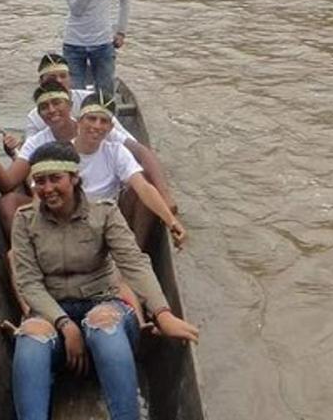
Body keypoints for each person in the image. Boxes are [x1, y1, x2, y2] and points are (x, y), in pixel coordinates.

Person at [10, 142, 198, 420]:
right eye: (39, 181)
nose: (47, 188)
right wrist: (65, 325)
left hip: (102, 300)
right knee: (29, 340)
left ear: (74, 179)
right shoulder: (25, 221)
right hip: (52, 310)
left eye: (55, 179)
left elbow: (133, 263)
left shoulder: (105, 213)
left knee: (103, 326)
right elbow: (29, 283)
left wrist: (162, 313)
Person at [0, 88, 185, 247]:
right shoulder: (60, 152)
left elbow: (143, 186)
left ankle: (134, 253)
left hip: (106, 219)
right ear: (79, 121)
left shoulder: (116, 150)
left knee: (141, 187)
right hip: (68, 218)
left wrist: (171, 221)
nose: (96, 126)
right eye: (91, 119)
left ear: (110, 128)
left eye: (103, 121)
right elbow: (38, 195)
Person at [22, 53, 133, 142]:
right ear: (41, 82)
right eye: (53, 77)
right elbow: (28, 151)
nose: (59, 81)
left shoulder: (91, 100)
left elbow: (123, 135)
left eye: (63, 76)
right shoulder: (34, 118)